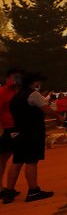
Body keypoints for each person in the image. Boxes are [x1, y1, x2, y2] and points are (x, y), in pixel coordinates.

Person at [5, 72, 64, 203]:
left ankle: (9, 192)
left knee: (17, 161)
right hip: (32, 132)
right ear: (33, 83)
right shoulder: (33, 94)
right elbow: (46, 109)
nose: (40, 84)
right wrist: (58, 117)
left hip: (18, 132)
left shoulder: (16, 96)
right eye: (39, 82)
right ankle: (33, 191)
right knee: (31, 161)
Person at [0, 68, 24, 203]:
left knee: (15, 158)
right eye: (14, 76)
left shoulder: (20, 91)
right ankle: (5, 189)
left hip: (20, 127)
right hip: (8, 129)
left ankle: (7, 188)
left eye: (19, 76)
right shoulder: (3, 92)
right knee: (4, 159)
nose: (17, 79)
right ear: (8, 77)